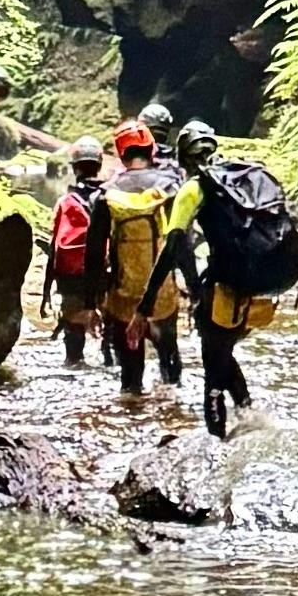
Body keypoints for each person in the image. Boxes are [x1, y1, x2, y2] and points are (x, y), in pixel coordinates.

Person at [174, 115, 298, 435]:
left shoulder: (194, 188)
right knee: (223, 354)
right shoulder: (246, 176)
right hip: (263, 284)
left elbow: (177, 246)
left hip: (226, 290)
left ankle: (217, 439)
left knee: (213, 371)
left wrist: (194, 289)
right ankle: (250, 416)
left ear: (184, 158)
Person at [102, 136, 193, 406]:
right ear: (151, 151)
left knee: (129, 376)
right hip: (162, 294)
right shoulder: (169, 188)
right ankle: (172, 413)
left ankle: (130, 418)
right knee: (170, 363)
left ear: (121, 155)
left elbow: (94, 251)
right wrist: (193, 286)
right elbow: (182, 244)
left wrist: (91, 299)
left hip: (123, 296)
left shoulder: (108, 192)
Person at [46, 139, 116, 371]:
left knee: (73, 350)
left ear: (74, 168)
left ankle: (74, 364)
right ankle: (109, 362)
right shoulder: (112, 198)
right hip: (106, 275)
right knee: (112, 341)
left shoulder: (65, 202)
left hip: (72, 278)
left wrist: (46, 291)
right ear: (98, 166)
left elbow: (54, 246)